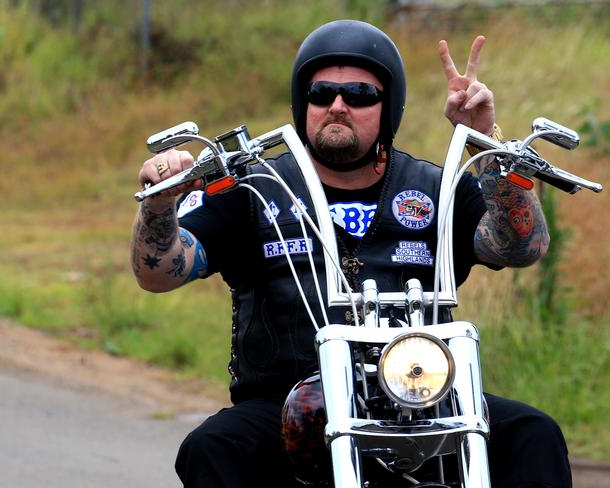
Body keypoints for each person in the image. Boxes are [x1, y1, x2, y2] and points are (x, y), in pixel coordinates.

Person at [131, 19, 571, 488]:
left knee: (533, 434)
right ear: (304, 104)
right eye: (322, 93)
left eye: (360, 94)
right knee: (214, 446)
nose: (338, 105)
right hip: (287, 406)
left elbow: (521, 247)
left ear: (388, 106)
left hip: (423, 395)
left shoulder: (437, 188)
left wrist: (487, 143)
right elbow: (157, 272)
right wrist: (160, 202)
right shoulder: (254, 189)